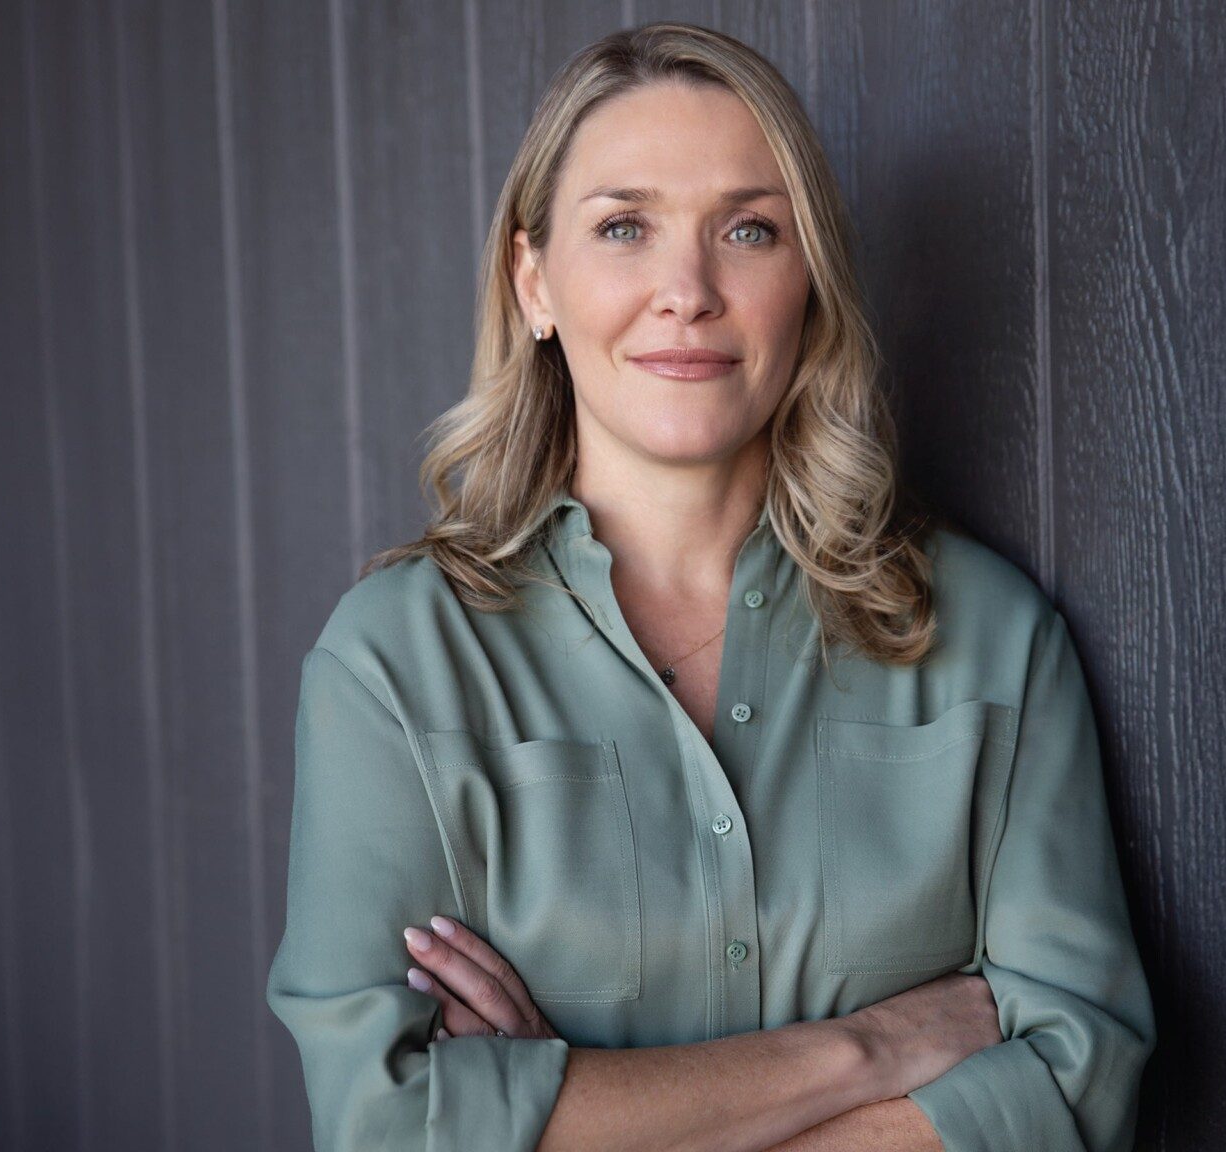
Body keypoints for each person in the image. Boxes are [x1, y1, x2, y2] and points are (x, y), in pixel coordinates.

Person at [266, 21, 1153, 1152]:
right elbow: (387, 1125)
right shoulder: (395, 664)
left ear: (810, 283)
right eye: (623, 227)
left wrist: (568, 1110)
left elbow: (1078, 1090)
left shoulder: (988, 636)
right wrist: (870, 1052)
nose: (685, 291)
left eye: (747, 230)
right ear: (532, 279)